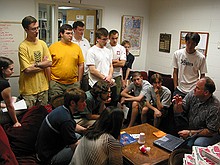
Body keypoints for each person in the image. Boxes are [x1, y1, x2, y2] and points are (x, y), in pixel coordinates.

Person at [36, 88, 87, 165]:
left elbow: (73, 125)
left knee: (80, 136)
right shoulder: (66, 120)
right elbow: (74, 146)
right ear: (72, 103)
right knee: (84, 148)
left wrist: (85, 130)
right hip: (48, 158)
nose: (85, 104)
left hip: (45, 148)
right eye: (82, 102)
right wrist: (89, 140)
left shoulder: (62, 109)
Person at [173, 77, 220, 147]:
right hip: (194, 129)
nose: (194, 89)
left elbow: (211, 131)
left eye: (198, 88)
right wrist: (178, 105)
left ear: (206, 92)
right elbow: (179, 111)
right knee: (186, 144)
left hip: (209, 133)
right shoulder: (192, 94)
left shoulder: (215, 106)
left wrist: (190, 133)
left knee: (198, 143)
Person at [18, 16, 52, 108]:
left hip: (43, 87)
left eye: (37, 28)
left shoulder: (42, 43)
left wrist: (36, 65)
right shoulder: (23, 46)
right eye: (33, 29)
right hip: (29, 90)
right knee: (30, 117)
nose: (36, 31)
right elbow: (27, 69)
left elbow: (49, 63)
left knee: (42, 115)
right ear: (26, 30)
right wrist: (43, 64)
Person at [49, 24, 84, 100]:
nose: (70, 35)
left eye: (71, 33)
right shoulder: (53, 47)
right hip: (56, 83)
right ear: (61, 34)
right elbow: (48, 65)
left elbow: (81, 64)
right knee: (56, 105)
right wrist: (50, 80)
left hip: (73, 84)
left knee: (73, 106)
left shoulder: (76, 48)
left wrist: (79, 81)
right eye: (68, 33)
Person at [172, 32, 207, 98]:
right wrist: (175, 87)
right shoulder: (177, 54)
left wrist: (199, 89)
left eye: (193, 43)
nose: (190, 46)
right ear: (185, 42)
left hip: (193, 90)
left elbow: (202, 75)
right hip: (179, 89)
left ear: (196, 44)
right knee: (176, 107)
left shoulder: (201, 57)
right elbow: (175, 72)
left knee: (192, 108)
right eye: (188, 42)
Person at [106, 30, 126, 105]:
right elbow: (105, 63)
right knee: (106, 95)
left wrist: (110, 62)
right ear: (109, 38)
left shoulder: (121, 48)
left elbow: (122, 63)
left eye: (116, 38)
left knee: (116, 95)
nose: (114, 40)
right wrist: (116, 61)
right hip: (107, 75)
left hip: (117, 75)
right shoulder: (106, 47)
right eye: (113, 38)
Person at [0, 57, 21, 127]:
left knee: (15, 99)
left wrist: (3, 105)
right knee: (25, 109)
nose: (13, 71)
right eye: (10, 69)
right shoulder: (3, 84)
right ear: (2, 69)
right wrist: (16, 122)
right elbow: (9, 106)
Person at [72, 21, 91, 92]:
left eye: (83, 30)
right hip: (74, 74)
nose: (82, 32)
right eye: (80, 30)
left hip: (85, 74)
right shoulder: (70, 42)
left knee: (85, 93)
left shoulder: (86, 42)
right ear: (74, 30)